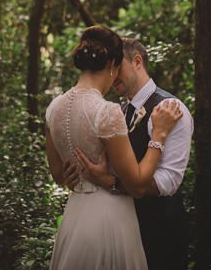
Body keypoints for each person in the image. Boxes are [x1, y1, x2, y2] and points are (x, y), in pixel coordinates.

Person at [45, 26, 183, 270]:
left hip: (75, 217)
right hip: (110, 218)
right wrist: (159, 134)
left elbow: (58, 175)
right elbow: (138, 185)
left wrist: (75, 176)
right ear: (112, 65)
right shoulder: (107, 111)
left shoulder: (53, 108)